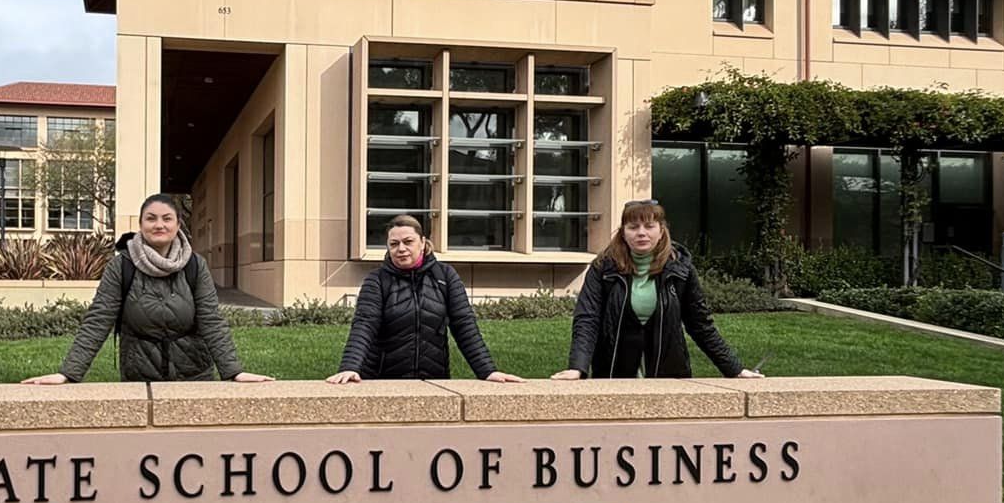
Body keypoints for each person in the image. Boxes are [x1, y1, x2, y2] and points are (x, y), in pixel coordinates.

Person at [24, 194, 273, 385]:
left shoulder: (195, 265)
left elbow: (211, 320)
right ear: (141, 224)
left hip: (194, 374)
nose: (159, 225)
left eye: (167, 218)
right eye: (151, 218)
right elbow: (99, 320)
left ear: (178, 224)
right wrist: (68, 374)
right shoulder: (121, 265)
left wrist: (234, 372)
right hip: (139, 376)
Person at [551, 198, 763, 380]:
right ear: (623, 233)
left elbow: (700, 325)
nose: (641, 233)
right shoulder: (603, 268)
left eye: (649, 226)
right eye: (633, 227)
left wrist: (735, 369)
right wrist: (577, 367)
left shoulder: (681, 269)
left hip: (669, 373)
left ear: (661, 231)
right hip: (614, 371)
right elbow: (587, 319)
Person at [326, 214, 522, 384]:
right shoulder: (376, 280)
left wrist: (487, 371)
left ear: (422, 242)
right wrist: (350, 367)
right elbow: (364, 325)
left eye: (408, 242)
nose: (401, 248)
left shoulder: (445, 276)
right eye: (394, 244)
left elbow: (464, 325)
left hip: (433, 379)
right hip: (382, 380)